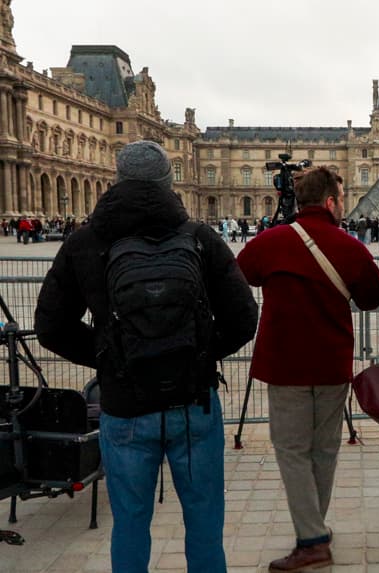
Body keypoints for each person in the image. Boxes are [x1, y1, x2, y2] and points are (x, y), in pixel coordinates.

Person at [33, 141, 259, 573]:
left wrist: (110, 357)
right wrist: (199, 355)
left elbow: (50, 327)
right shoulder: (199, 238)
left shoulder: (85, 242)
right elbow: (244, 318)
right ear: (168, 183)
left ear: (117, 180)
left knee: (131, 523)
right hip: (193, 406)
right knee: (205, 523)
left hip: (125, 405)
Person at [237, 167, 379, 573]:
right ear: (332, 202)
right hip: (332, 363)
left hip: (284, 364)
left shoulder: (271, 241)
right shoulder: (349, 246)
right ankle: (313, 529)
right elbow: (374, 298)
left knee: (291, 452)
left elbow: (241, 276)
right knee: (324, 449)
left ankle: (313, 539)